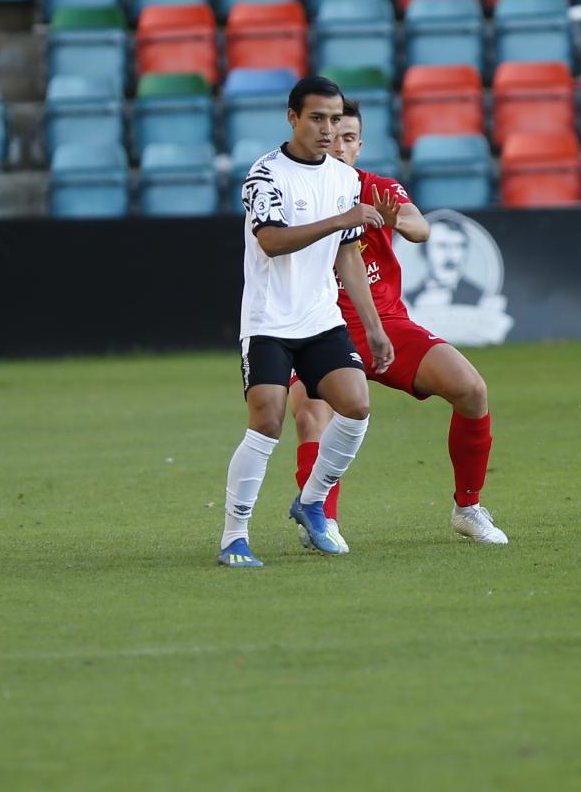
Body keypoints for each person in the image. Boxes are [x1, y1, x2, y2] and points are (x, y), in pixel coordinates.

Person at [286, 99, 507, 550]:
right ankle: (322, 522)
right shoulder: (294, 193)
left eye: (349, 138)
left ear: (359, 145)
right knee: (312, 415)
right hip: (315, 325)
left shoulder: (379, 189)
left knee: (471, 389)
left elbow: (421, 228)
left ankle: (467, 508)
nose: (339, 145)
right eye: (332, 135)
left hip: (386, 325)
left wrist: (397, 220)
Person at [217, 77, 395, 568]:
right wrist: (341, 220)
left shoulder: (343, 179)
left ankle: (312, 501)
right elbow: (272, 241)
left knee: (356, 406)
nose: (327, 129)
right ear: (292, 118)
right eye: (317, 118)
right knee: (268, 421)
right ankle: (235, 535)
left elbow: (348, 257)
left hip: (320, 318)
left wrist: (373, 326)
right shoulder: (265, 175)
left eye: (335, 120)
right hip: (270, 319)